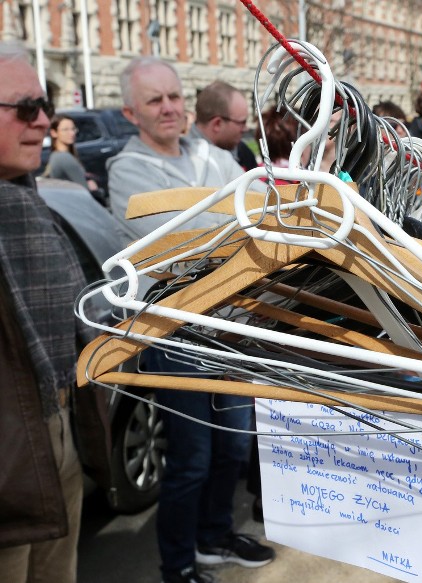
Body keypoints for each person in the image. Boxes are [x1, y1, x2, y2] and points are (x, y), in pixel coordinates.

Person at [107, 56, 275, 583]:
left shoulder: (209, 152)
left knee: (231, 447)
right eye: (155, 100)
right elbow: (174, 247)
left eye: (175, 97)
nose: (170, 108)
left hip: (230, 325)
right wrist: (227, 222)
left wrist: (224, 225)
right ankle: (177, 564)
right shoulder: (126, 171)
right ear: (131, 112)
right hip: (174, 330)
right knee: (192, 459)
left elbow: (257, 213)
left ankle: (213, 536)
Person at [0, 41, 105, 583]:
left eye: (45, 105)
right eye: (24, 108)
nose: (44, 121)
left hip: (54, 427)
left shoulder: (25, 195)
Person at [191, 81, 257, 171]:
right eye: (242, 122)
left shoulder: (244, 153)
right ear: (217, 124)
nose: (246, 128)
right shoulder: (186, 159)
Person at [42, 114, 102, 198]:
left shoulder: (56, 155)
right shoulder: (64, 157)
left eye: (73, 129)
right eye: (65, 130)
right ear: (54, 133)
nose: (72, 133)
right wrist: (94, 190)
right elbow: (85, 192)